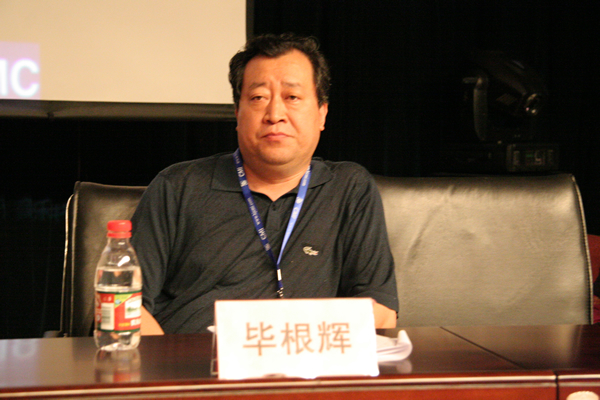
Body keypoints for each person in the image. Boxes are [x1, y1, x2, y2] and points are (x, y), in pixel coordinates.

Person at [133, 33, 398, 335]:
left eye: (292, 97)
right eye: (258, 98)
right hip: (191, 360)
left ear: (322, 113)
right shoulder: (178, 186)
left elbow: (381, 312)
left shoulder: (349, 189)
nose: (275, 115)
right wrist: (173, 361)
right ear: (238, 113)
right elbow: (123, 305)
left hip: (306, 359)